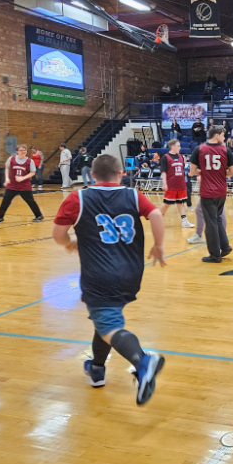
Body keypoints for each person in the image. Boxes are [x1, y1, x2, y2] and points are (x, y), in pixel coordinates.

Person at [52, 154, 166, 404]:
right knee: (103, 319)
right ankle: (97, 368)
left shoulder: (78, 198)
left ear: (91, 175)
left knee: (109, 325)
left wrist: (69, 243)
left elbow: (58, 233)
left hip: (99, 276)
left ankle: (142, 360)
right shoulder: (134, 195)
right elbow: (156, 216)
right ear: (121, 173)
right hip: (131, 274)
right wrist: (158, 246)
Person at [190, 126, 233, 263]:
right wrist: (220, 175)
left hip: (207, 191)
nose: (224, 138)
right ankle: (225, 246)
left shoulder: (199, 149)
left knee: (211, 224)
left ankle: (215, 255)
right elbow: (232, 172)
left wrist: (205, 173)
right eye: (223, 135)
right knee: (218, 219)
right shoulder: (226, 150)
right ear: (216, 135)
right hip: (221, 191)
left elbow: (192, 171)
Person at [0, 144, 44, 224]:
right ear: (17, 151)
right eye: (21, 150)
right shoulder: (11, 159)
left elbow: (33, 172)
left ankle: (39, 216)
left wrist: (22, 178)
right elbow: (7, 168)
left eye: (25, 150)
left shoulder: (30, 161)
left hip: (24, 186)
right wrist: (7, 178)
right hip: (12, 186)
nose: (23, 152)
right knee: (5, 201)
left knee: (30, 201)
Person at [158, 139, 194, 228]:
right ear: (172, 147)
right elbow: (163, 172)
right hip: (171, 184)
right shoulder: (165, 157)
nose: (180, 147)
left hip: (181, 184)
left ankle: (184, 221)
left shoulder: (181, 157)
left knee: (180, 203)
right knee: (167, 203)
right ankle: (156, 218)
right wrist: (164, 183)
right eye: (178, 146)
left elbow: (182, 170)